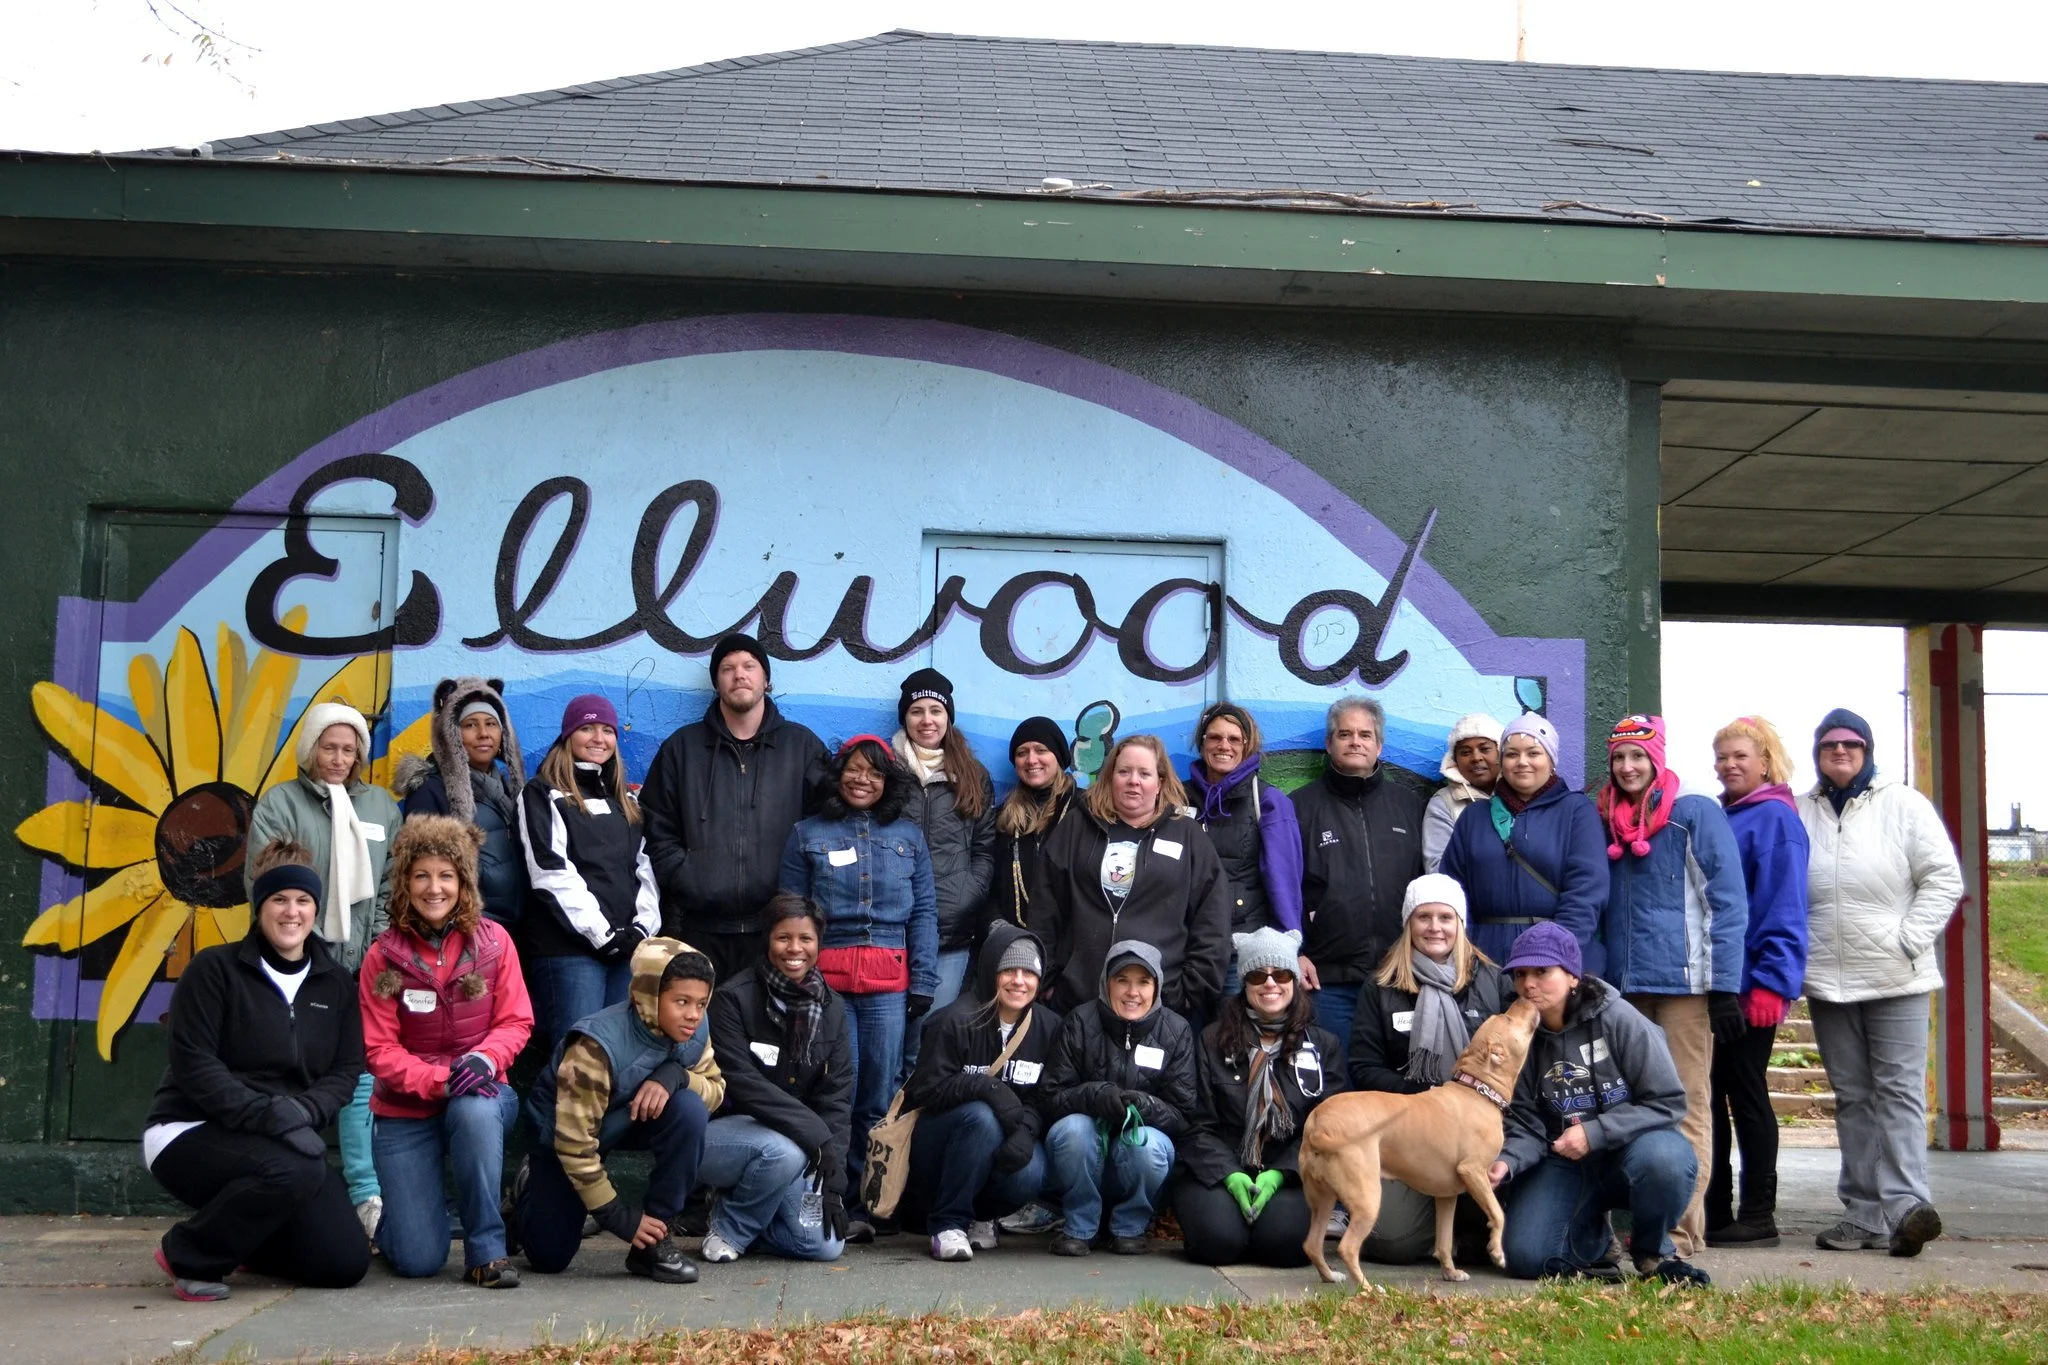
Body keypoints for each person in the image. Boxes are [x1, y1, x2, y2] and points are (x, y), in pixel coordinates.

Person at [144, 841, 371, 1301]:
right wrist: (271, 1115)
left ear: (316, 908)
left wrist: (304, 1112)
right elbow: (194, 1064)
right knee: (293, 1172)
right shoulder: (215, 970)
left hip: (285, 1138)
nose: (292, 912)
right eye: (279, 899)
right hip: (190, 1127)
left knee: (344, 1262)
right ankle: (188, 1252)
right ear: (260, 906)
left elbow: (346, 1069)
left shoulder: (336, 985)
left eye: (303, 900)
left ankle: (243, 1239)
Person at [1799, 708, 1963, 1258]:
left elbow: (1943, 879)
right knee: (1852, 1098)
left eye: (1852, 744)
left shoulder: (1904, 804)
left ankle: (1908, 1209)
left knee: (1899, 1094)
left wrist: (1908, 939)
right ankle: (1863, 1215)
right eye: (1829, 744)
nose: (1840, 751)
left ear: (1867, 751)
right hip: (1828, 981)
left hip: (1896, 977)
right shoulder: (1801, 810)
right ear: (1818, 753)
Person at [244, 700, 400, 1245]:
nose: (338, 758)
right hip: (297, 968)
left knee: (361, 1078)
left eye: (348, 749)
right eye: (328, 747)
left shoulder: (380, 806)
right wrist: (307, 953)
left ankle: (366, 1197)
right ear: (310, 750)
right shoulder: (281, 803)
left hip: (363, 969)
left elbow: (391, 885)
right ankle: (282, 1189)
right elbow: (267, 882)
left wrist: (375, 949)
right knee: (289, 1073)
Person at [1594, 714, 1748, 1258]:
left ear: (1656, 759)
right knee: (1626, 1108)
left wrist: (1724, 985)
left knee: (1686, 1107)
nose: (1628, 767)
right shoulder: (1605, 818)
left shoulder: (1693, 813)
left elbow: (1726, 901)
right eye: (1619, 757)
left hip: (1685, 987)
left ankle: (1678, 1234)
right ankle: (1634, 1225)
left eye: (1638, 756)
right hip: (1625, 989)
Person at [358, 815, 533, 1287]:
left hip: (480, 1093)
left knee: (475, 1110)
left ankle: (487, 1253)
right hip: (404, 1109)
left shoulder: (495, 943)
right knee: (417, 1260)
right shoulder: (382, 955)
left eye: (446, 875)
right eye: (421, 875)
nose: (434, 888)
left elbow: (516, 1021)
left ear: (463, 882)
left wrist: (485, 1060)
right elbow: (379, 1050)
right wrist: (442, 1081)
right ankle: (398, 1221)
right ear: (404, 882)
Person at [1490, 922, 1708, 1286]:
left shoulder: (1619, 1018)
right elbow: (1525, 1123)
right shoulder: (1516, 1035)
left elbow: (1667, 1102)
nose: (1528, 984)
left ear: (1573, 976)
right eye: (1520, 974)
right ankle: (1597, 1242)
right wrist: (1507, 1162)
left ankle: (1651, 1251)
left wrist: (1595, 1133)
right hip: (1561, 1161)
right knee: (1527, 1257)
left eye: (1542, 972)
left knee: (1666, 1161)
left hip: (1631, 1150)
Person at [778, 735, 939, 1211]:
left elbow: (924, 913)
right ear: (837, 774)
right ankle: (830, 1196)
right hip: (826, 984)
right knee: (835, 1092)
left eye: (874, 773)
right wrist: (795, 978)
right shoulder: (806, 834)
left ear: (888, 782)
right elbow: (790, 913)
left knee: (878, 1091)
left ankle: (868, 1200)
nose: (862, 780)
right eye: (853, 769)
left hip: (889, 983)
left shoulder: (910, 837)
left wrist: (923, 981)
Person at [516, 938, 724, 1283]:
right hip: (565, 1140)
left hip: (627, 1121)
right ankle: (526, 1192)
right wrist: (619, 1217)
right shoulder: (595, 1046)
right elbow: (574, 1144)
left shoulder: (695, 1028)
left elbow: (715, 1091)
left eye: (701, 1003)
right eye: (681, 1002)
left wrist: (676, 1076)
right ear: (649, 995)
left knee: (690, 1110)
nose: (693, 1014)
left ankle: (653, 1243)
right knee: (548, 1257)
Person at [639, 634, 830, 982]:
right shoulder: (682, 749)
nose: (739, 675)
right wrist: (687, 876)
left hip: (776, 933)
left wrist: (796, 893)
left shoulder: (801, 747)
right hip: (698, 928)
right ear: (717, 683)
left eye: (749, 666)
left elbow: (826, 825)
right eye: (727, 668)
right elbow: (656, 825)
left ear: (766, 679)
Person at [1346, 872, 1510, 1264]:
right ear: (1409, 923)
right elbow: (1364, 1067)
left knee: (1522, 1242)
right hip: (1412, 1136)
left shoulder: (1493, 982)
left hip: (1482, 1129)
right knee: (1392, 1243)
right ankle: (1438, 1229)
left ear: (1460, 923)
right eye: (1423, 917)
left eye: (1445, 917)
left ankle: (1465, 1230)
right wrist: (1425, 1099)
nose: (1435, 927)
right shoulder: (1381, 987)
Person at [1173, 927, 1348, 1268]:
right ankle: (1228, 1224)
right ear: (1244, 983)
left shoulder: (1323, 1046)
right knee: (1218, 1243)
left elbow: (1330, 1127)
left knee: (1283, 1245)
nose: (1270, 984)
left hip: (1293, 1170)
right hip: (1220, 1167)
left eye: (1280, 974)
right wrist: (1229, 1173)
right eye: (1258, 975)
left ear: (1294, 980)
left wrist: (1282, 1173)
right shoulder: (1211, 1041)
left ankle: (1261, 1224)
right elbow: (1195, 1122)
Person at [700, 892, 852, 1263]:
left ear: (818, 943)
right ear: (767, 940)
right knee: (782, 1150)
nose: (794, 949)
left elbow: (836, 1097)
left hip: (799, 1142)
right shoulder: (732, 999)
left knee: (824, 1245)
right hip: (726, 1135)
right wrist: (814, 1134)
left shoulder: (832, 1008)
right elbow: (742, 1084)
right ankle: (729, 1228)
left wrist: (834, 1184)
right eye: (783, 937)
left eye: (805, 939)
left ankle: (752, 1214)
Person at [1706, 715, 1810, 1248]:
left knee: (1746, 1091)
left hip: (1751, 986)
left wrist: (1773, 981)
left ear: (1766, 762)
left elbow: (1784, 904)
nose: (1729, 765)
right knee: (1708, 1093)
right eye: (1722, 757)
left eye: (1740, 757)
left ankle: (1758, 1213)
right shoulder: (1724, 814)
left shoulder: (1774, 819)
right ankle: (1714, 1210)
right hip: (1715, 984)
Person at [1041, 734, 1232, 1021]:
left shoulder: (1188, 836)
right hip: (1077, 1002)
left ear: (1160, 782)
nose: (1134, 781)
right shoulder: (1076, 827)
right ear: (1110, 777)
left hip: (1160, 1007)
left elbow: (1213, 920)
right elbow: (1045, 907)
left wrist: (1188, 993)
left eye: (1144, 773)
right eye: (1124, 772)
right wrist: (1048, 978)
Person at [899, 923, 1060, 1262]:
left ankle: (982, 1216)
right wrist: (986, 1087)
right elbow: (926, 1090)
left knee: (1033, 1168)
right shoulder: (954, 1020)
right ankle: (947, 1223)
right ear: (990, 971)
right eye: (1009, 970)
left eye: (1029, 972)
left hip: (1003, 1136)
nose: (1019, 981)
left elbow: (1046, 1095)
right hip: (939, 1142)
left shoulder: (1048, 1027)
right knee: (982, 1117)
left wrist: (1027, 1130)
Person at [518, 694, 661, 1051]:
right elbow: (550, 873)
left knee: (617, 1056)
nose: (599, 738)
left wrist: (641, 930)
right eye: (587, 728)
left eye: (607, 730)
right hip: (569, 953)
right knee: (577, 1059)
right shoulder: (542, 793)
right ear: (568, 735)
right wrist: (602, 935)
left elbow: (645, 869)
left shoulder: (627, 801)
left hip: (625, 950)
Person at [1040, 939, 1198, 1257]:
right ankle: (1080, 1226)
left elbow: (1184, 1115)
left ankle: (1130, 1226)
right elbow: (1050, 1098)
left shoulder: (1176, 1030)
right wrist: (1095, 1094)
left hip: (1136, 1157)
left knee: (1148, 1144)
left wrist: (1144, 1104)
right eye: (1122, 980)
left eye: (1143, 982)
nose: (1132, 992)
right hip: (1084, 1155)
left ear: (1157, 987)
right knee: (1072, 1129)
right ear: (1106, 983)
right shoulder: (1078, 1022)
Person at [1290, 697, 1426, 1045]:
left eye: (1365, 735)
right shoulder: (1300, 806)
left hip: (1400, 976)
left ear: (1379, 745)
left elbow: (1424, 885)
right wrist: (1296, 951)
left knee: (1396, 1075)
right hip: (1327, 980)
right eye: (1344, 734)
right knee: (1335, 1074)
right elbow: (1284, 887)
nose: (1355, 742)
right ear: (1328, 743)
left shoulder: (1409, 806)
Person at [1439, 712, 1608, 972]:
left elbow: (1586, 890)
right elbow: (1452, 890)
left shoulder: (1576, 811)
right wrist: (1467, 953)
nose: (1522, 762)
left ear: (1551, 760)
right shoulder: (1474, 817)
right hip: (1483, 960)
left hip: (1554, 962)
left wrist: (1555, 954)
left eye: (1533, 753)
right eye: (1511, 754)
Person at [893, 668, 996, 1073]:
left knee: (929, 1040)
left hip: (950, 932)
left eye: (936, 711)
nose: (927, 720)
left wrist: (968, 893)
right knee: (889, 1041)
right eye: (916, 711)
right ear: (904, 717)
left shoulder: (973, 775)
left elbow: (985, 847)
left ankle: (918, 1113)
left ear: (948, 717)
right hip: (892, 930)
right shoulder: (886, 769)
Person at [1184, 702, 1305, 995]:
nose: (1223, 746)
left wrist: (1292, 946)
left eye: (1234, 739)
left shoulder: (1267, 801)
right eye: (1214, 737)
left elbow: (1284, 882)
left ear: (1247, 745)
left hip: (1241, 951)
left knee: (1234, 1025)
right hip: (1185, 947)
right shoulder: (1177, 797)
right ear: (1202, 743)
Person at [396, 676, 529, 929]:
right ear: (452, 734)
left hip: (517, 929)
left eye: (491, 724)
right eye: (470, 725)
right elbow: (425, 871)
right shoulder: (431, 790)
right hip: (467, 927)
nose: (483, 734)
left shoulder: (511, 791)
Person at [983, 716, 1076, 949]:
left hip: (1072, 949)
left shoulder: (1085, 810)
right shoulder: (1003, 819)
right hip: (1014, 947)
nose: (1031, 759)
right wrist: (999, 929)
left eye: (1041, 750)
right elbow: (988, 887)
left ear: (1058, 756)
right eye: (1022, 753)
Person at [1422, 713, 1502, 873]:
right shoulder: (1444, 804)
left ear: (1501, 752)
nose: (1476, 758)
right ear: (1454, 760)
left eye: (1485, 749)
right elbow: (1438, 870)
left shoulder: (1521, 794)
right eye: (1465, 752)